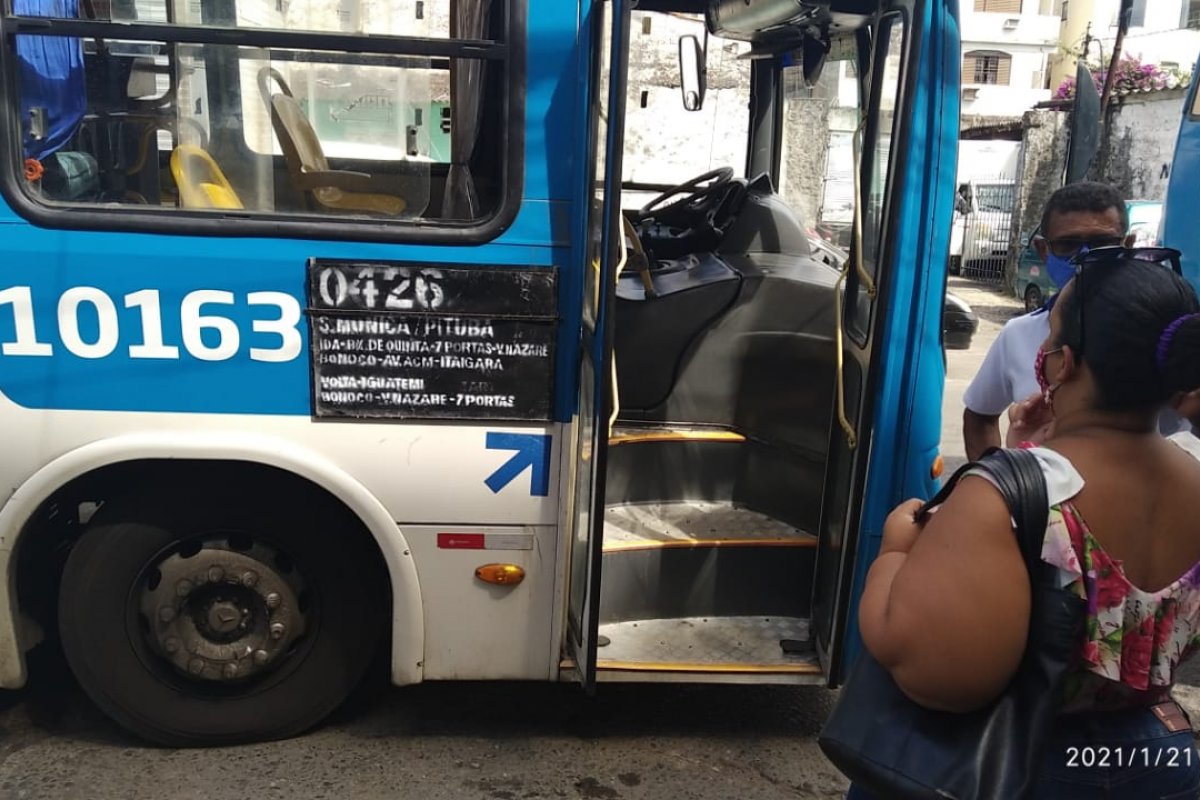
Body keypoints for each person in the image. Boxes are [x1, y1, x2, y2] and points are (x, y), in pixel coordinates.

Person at [847, 250, 1200, 799]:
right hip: (1156, 757)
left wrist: (894, 552)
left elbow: (937, 678)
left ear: (1066, 363)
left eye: (1051, 333)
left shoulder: (998, 497)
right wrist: (1033, 459)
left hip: (1024, 765)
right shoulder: (1193, 472)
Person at [962, 182, 1133, 461]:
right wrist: (1000, 486)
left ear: (1128, 246)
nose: (1085, 257)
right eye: (1068, 244)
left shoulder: (1154, 334)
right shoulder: (1020, 334)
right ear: (1043, 250)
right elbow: (980, 415)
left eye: (1103, 244)